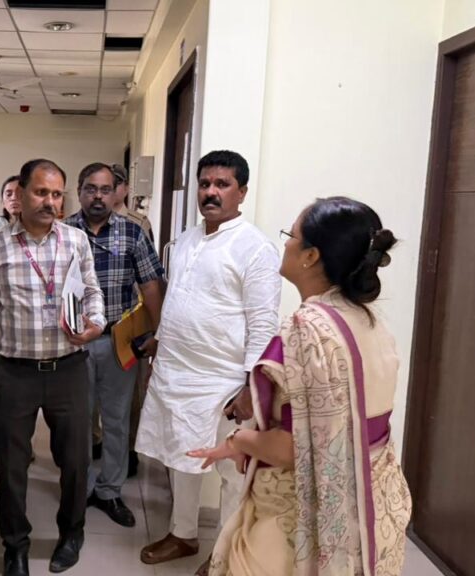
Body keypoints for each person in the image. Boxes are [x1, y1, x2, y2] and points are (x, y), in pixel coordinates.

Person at [188, 197, 412, 576]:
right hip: (373, 503)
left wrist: (239, 441)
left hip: (303, 519)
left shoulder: (308, 330)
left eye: (290, 235)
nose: (286, 244)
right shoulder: (368, 321)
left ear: (310, 256)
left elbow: (296, 448)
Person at [136, 150, 281, 574]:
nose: (211, 192)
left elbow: (264, 323)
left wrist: (251, 387)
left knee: (232, 469)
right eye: (205, 184)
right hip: (176, 372)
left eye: (222, 184)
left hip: (224, 380)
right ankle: (183, 534)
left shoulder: (256, 248)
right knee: (183, 457)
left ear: (242, 192)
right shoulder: (186, 240)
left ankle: (225, 553)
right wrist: (160, 342)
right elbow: (178, 300)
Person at [0, 158, 106, 576]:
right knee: (12, 465)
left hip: (68, 368)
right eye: (41, 192)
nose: (50, 201)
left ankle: (72, 534)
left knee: (76, 461)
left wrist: (96, 323)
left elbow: (92, 292)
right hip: (15, 371)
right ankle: (15, 546)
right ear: (21, 193)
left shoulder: (75, 240)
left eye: (56, 194)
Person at [65, 163, 165, 528]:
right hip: (73, 344)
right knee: (76, 423)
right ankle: (79, 489)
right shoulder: (63, 233)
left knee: (117, 420)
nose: (98, 196)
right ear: (80, 192)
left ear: (115, 193)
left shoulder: (132, 232)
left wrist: (158, 335)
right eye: (90, 189)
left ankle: (109, 490)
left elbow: (151, 286)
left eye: (105, 189)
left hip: (117, 343)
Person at [111, 164, 153, 240]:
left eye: (117, 182)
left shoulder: (140, 223)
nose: (112, 187)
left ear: (126, 188)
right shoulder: (91, 220)